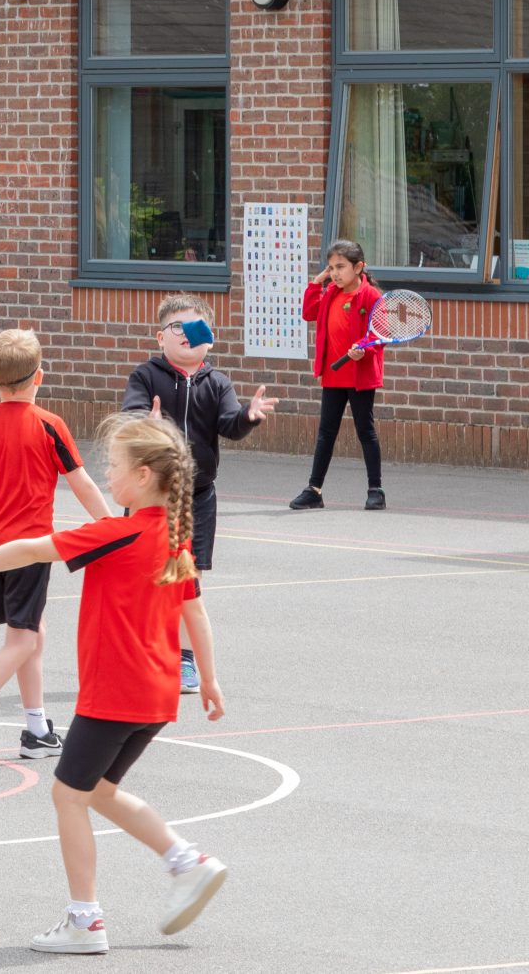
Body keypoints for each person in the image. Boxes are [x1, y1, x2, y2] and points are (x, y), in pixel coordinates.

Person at [0, 413, 230, 955]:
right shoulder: (175, 539)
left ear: (147, 476)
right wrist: (208, 678)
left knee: (67, 795)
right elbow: (195, 613)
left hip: (116, 690)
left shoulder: (117, 533)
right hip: (154, 696)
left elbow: (32, 549)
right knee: (98, 791)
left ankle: (85, 921)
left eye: (115, 466)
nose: (108, 475)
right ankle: (188, 863)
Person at [0, 328, 110, 766]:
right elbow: (81, 481)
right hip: (30, 547)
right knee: (23, 639)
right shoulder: (50, 425)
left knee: (31, 634)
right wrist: (107, 525)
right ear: (40, 377)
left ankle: (36, 729)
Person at [121, 295, 274, 690]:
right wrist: (147, 423)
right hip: (151, 496)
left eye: (197, 329)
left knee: (190, 578)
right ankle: (145, 648)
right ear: (160, 337)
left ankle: (185, 658)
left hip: (199, 496)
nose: (188, 335)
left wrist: (247, 415)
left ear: (210, 338)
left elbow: (229, 423)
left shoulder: (218, 382)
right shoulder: (145, 376)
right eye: (178, 327)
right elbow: (133, 414)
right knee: (145, 576)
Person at [290, 239, 386, 511]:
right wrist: (317, 281)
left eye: (340, 267)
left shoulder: (372, 296)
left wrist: (364, 351)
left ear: (359, 267)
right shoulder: (331, 291)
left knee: (365, 431)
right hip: (333, 374)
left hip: (359, 376)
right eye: (331, 267)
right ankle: (314, 490)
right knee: (325, 433)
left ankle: (375, 489)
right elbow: (309, 312)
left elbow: (379, 336)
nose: (335, 273)